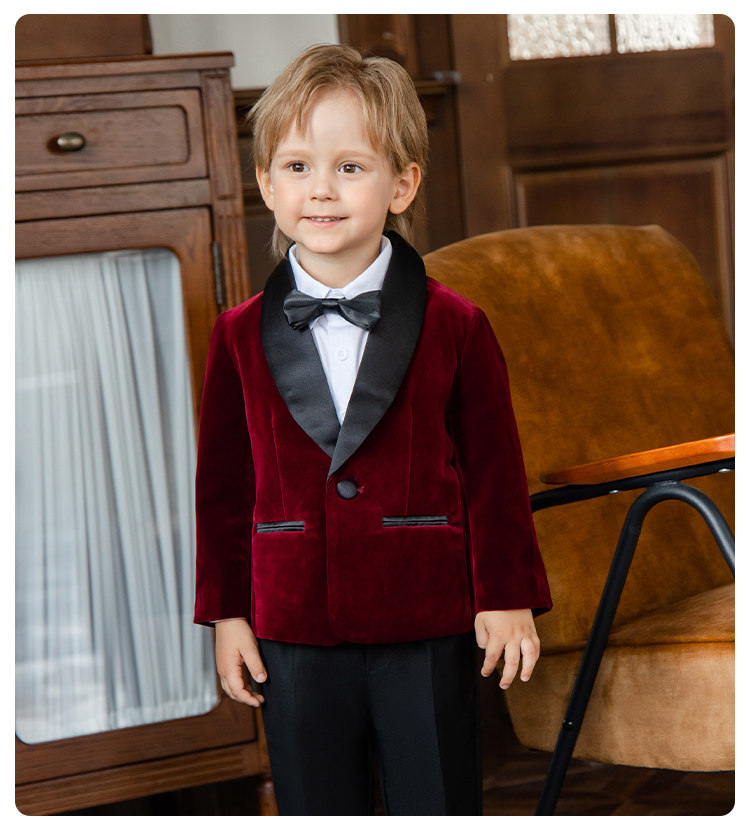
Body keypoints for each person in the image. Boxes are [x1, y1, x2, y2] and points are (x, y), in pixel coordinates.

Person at [194, 43, 552, 816]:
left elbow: (493, 471)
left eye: (350, 167)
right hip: (291, 620)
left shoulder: (457, 324)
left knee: (436, 802)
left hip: (423, 611)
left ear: (402, 185)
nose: (320, 189)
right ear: (266, 183)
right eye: (297, 167)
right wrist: (227, 613)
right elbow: (223, 488)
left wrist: (506, 595)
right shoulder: (236, 334)